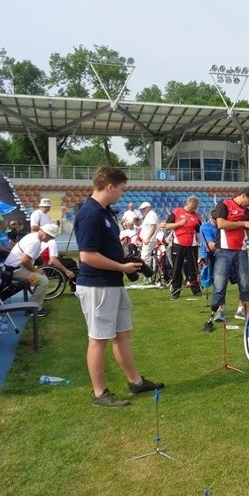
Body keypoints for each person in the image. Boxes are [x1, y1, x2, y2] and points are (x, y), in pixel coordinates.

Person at [73, 166, 164, 408]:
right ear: (110, 186)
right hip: (97, 285)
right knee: (99, 339)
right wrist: (121, 267)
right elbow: (87, 256)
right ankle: (99, 393)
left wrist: (125, 257)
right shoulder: (89, 214)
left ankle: (135, 382)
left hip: (112, 283)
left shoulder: (104, 212)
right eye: (121, 189)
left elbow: (106, 247)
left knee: (122, 334)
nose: (122, 194)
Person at [206, 187, 249, 329]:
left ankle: (248, 316)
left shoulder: (248, 213)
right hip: (223, 251)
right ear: (243, 196)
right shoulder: (225, 204)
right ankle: (215, 313)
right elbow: (221, 224)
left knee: (245, 285)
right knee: (220, 285)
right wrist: (242, 223)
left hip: (240, 252)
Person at [2, 223, 57, 313]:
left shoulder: (33, 236)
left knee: (42, 278)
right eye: (51, 237)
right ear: (46, 234)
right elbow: (25, 260)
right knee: (43, 281)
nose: (51, 239)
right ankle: (34, 309)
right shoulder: (35, 242)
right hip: (15, 270)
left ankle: (35, 302)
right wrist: (35, 270)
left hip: (12, 268)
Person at [162, 195, 202, 299]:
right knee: (176, 268)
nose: (193, 209)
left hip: (192, 244)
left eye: (195, 207)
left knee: (193, 268)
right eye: (192, 207)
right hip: (178, 243)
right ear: (187, 203)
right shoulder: (177, 212)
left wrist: (200, 242)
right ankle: (176, 291)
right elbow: (165, 226)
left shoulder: (196, 216)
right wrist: (179, 223)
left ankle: (196, 289)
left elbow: (198, 231)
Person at [138, 201, 159, 267]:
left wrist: (148, 238)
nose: (142, 210)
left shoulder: (151, 215)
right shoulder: (149, 215)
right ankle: (147, 274)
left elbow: (153, 227)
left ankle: (147, 274)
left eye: (143, 209)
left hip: (149, 240)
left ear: (148, 208)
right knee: (144, 256)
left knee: (145, 257)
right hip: (147, 240)